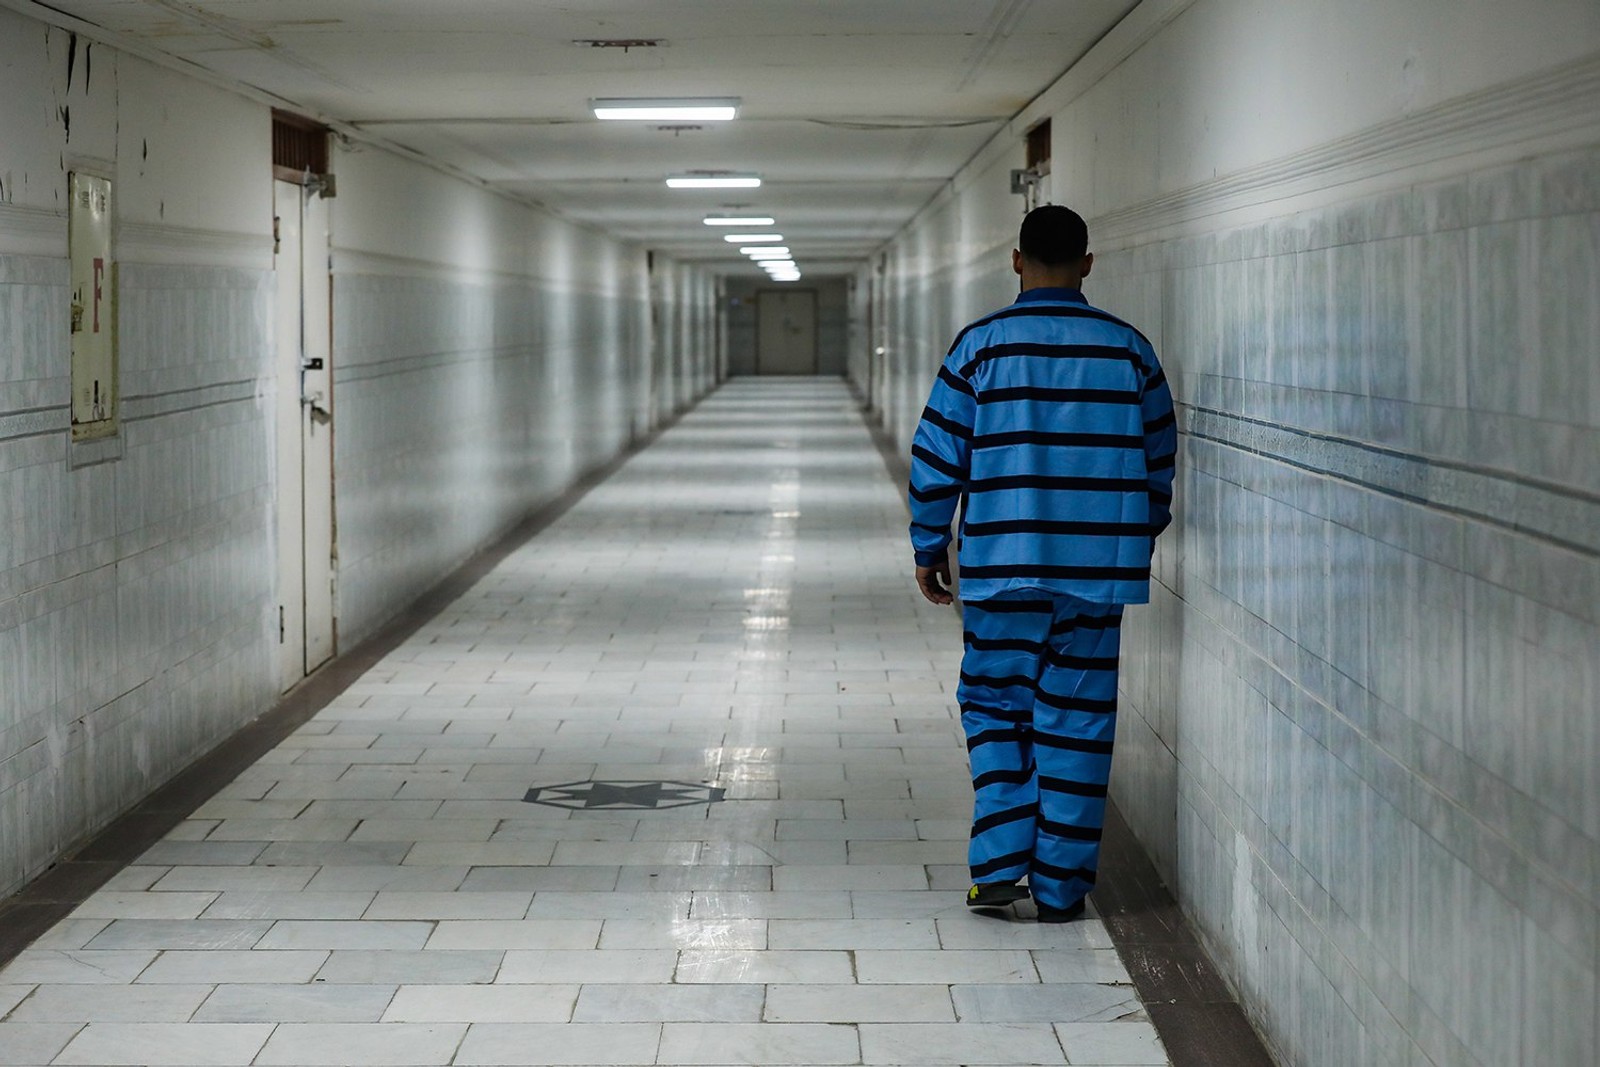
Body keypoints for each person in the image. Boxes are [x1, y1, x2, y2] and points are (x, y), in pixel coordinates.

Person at [908, 204, 1177, 922]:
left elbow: (936, 456)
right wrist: (1131, 541)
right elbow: (1159, 463)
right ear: (1087, 263)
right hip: (1098, 575)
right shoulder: (1130, 351)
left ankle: (999, 865)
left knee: (994, 705)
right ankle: (1061, 887)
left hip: (1001, 568)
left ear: (1016, 260)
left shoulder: (981, 347)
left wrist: (929, 545)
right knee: (1078, 723)